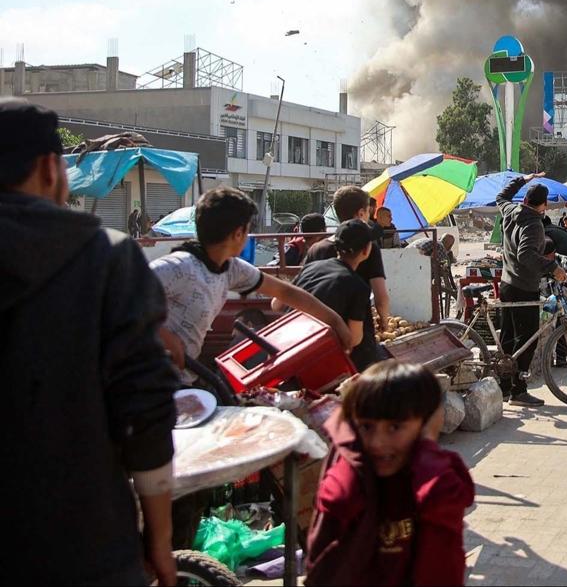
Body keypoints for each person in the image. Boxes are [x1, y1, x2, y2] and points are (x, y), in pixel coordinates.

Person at [1, 98, 179, 585]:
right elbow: (145, 410)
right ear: (49, 168)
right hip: (84, 548)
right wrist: (160, 540)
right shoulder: (106, 258)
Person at [306, 361, 475, 586]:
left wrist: (425, 448)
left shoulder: (431, 475)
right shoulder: (351, 472)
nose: (377, 442)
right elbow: (336, 505)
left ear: (425, 424)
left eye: (395, 427)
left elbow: (448, 497)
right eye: (367, 427)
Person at [153, 187, 352, 371]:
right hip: (144, 378)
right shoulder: (178, 267)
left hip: (181, 376)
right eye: (248, 230)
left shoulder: (230, 268)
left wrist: (335, 321)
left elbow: (285, 292)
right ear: (238, 233)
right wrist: (165, 337)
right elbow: (123, 297)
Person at [497, 172, 567, 407]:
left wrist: (523, 179)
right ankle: (518, 390)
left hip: (506, 283)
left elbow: (501, 195)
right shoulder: (534, 224)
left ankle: (503, 387)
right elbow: (526, 255)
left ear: (525, 199)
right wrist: (553, 267)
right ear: (544, 205)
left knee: (508, 337)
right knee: (527, 339)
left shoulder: (510, 210)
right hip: (522, 286)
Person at [307, 186, 392, 367]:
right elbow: (381, 297)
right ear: (361, 213)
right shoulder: (367, 248)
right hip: (356, 339)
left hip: (316, 337)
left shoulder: (317, 248)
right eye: (369, 212)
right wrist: (385, 321)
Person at [288, 220, 376, 371]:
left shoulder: (310, 267)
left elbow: (276, 304)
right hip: (320, 357)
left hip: (290, 345)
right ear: (366, 250)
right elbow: (354, 339)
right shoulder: (358, 286)